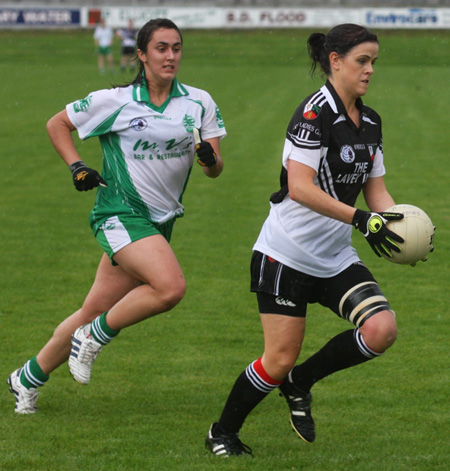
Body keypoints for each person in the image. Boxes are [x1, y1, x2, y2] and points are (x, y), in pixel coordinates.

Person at [8, 18, 226, 414]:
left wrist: (211, 161)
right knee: (170, 288)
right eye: (161, 48)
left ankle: (26, 378)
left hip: (160, 221)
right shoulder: (116, 101)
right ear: (141, 55)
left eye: (176, 48)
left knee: (90, 309)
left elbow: (214, 168)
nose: (171, 56)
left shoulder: (199, 101)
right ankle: (94, 336)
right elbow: (57, 123)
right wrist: (76, 165)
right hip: (119, 213)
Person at [205, 23, 405, 457]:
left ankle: (303, 380)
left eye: (374, 62)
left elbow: (377, 193)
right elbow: (299, 186)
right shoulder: (314, 113)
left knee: (381, 328)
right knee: (276, 360)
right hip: (285, 255)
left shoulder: (370, 121)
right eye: (362, 61)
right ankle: (222, 431)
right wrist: (360, 219)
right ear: (335, 62)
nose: (370, 70)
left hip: (333, 257)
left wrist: (400, 225)